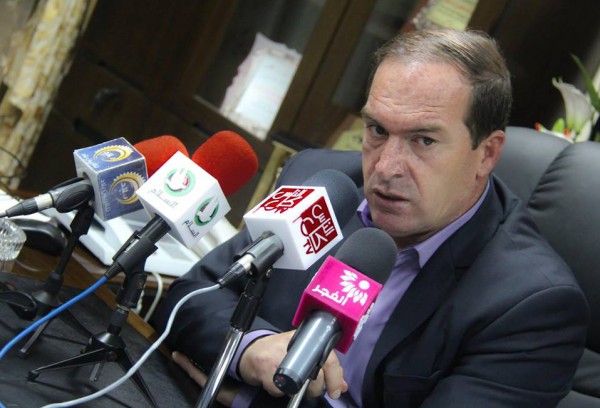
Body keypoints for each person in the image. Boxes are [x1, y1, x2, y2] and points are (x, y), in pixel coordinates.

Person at [153, 28, 589, 407]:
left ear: (487, 154)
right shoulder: (321, 183)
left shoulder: (532, 306)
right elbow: (194, 295)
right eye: (378, 130)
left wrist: (252, 400)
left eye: (423, 140)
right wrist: (252, 349)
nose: (385, 167)